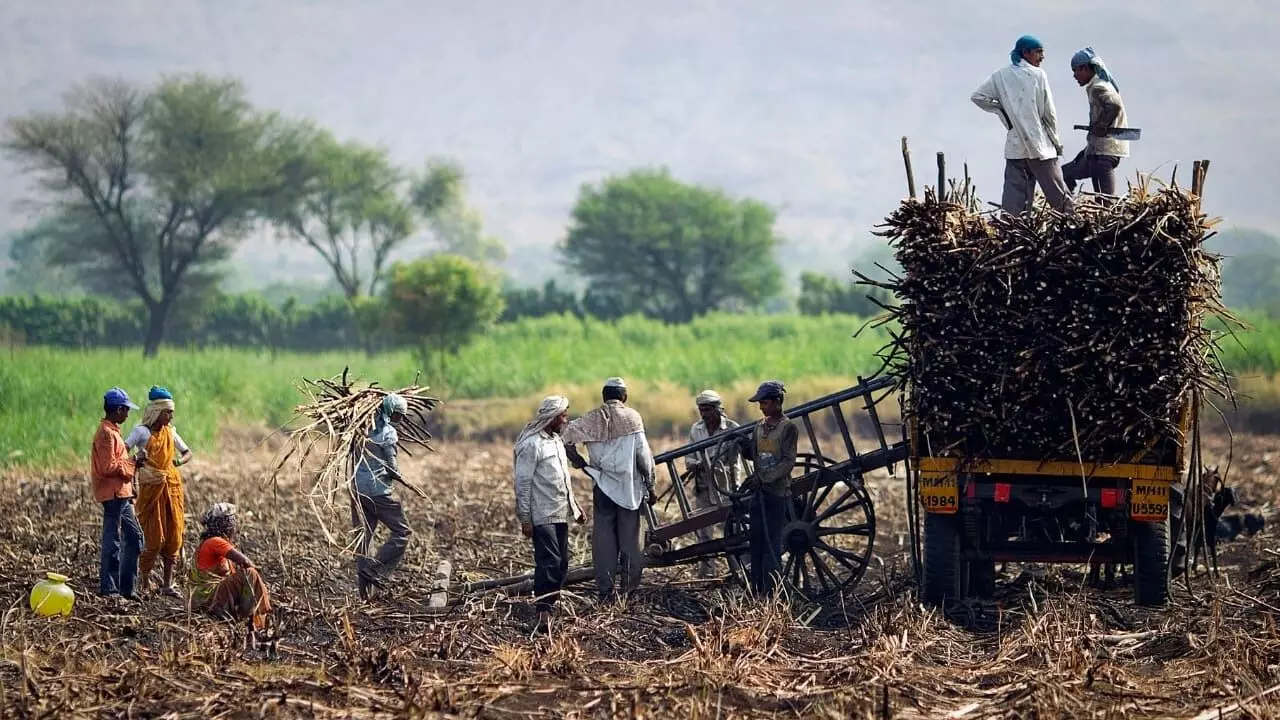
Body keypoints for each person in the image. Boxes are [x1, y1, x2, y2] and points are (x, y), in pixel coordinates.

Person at [562, 377, 656, 603]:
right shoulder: (632, 418)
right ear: (624, 397)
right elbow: (644, 457)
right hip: (629, 488)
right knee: (632, 541)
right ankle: (629, 591)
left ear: (604, 397)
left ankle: (606, 592)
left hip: (602, 486)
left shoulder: (591, 419)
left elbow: (565, 439)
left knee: (604, 542)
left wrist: (579, 463)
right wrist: (650, 485)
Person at [971, 34, 1073, 215]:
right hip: (1040, 145)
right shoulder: (1038, 75)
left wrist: (1004, 111)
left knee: (1014, 198)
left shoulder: (1000, 76)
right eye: (1038, 52)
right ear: (1025, 52)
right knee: (1056, 192)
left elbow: (978, 97)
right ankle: (1073, 224)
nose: (1042, 57)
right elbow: (1049, 113)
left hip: (1016, 145)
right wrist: (1056, 142)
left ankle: (1010, 232)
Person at [513, 395, 585, 632]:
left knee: (562, 563)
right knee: (549, 562)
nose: (566, 419)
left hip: (559, 512)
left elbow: (563, 479)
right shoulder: (532, 444)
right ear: (552, 417)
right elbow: (522, 484)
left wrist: (575, 507)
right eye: (563, 415)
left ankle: (548, 606)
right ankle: (543, 611)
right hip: (541, 514)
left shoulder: (555, 441)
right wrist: (525, 519)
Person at [127, 386, 194, 598]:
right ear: (157, 412)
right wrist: (136, 464)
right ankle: (144, 582)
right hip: (150, 486)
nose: (171, 416)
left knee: (174, 535)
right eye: (168, 412)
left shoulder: (171, 432)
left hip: (171, 486)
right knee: (153, 537)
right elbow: (123, 451)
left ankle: (167, 584)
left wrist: (177, 462)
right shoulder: (141, 432)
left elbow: (187, 452)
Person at [737, 381, 799, 598]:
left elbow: (787, 462)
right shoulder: (759, 427)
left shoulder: (788, 428)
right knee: (756, 544)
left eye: (764, 402)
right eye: (760, 403)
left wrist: (763, 479)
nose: (761, 407)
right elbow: (754, 454)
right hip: (759, 495)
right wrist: (744, 447)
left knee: (771, 547)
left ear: (777, 402)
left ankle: (773, 596)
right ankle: (756, 592)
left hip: (776, 494)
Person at [351, 393, 414, 600]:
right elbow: (392, 468)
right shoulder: (387, 434)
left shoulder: (360, 427)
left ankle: (365, 597)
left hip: (357, 490)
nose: (400, 420)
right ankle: (375, 570)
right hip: (378, 492)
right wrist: (405, 480)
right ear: (390, 413)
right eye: (398, 416)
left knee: (364, 538)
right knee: (402, 532)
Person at [92, 387, 145, 600]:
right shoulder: (106, 433)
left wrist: (133, 463)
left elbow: (116, 463)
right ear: (118, 409)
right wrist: (133, 461)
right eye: (126, 410)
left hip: (121, 494)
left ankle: (126, 588)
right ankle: (110, 588)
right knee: (112, 540)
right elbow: (108, 466)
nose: (128, 414)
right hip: (113, 495)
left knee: (134, 538)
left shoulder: (113, 430)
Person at [685, 390, 743, 578]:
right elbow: (689, 459)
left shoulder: (733, 428)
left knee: (734, 530)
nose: (704, 414)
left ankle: (741, 569)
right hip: (704, 486)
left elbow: (739, 459)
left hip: (726, 486)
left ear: (718, 409)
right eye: (701, 410)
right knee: (703, 532)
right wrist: (697, 465)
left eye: (708, 409)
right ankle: (707, 573)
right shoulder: (696, 429)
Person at [189, 503, 272, 632]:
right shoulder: (216, 542)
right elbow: (245, 562)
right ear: (226, 525)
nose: (235, 527)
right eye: (233, 522)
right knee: (250, 573)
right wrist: (260, 578)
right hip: (210, 598)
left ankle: (247, 616)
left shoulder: (208, 542)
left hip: (202, 599)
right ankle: (251, 618)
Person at [1061, 46, 1129, 197]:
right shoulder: (1097, 85)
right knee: (1065, 173)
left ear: (1084, 68)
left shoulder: (1098, 87)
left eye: (1075, 71)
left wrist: (1103, 124)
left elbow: (1114, 105)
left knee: (1105, 198)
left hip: (1104, 153)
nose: (1074, 76)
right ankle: (1068, 207)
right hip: (1095, 150)